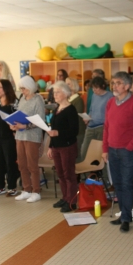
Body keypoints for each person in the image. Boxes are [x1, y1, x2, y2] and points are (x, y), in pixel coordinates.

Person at [103, 72, 133, 232]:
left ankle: (126, 218)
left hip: (127, 151)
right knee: (117, 184)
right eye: (113, 82)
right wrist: (105, 148)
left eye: (118, 83)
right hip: (112, 149)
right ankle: (123, 214)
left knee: (127, 185)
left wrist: (130, 146)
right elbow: (107, 127)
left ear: (127, 86)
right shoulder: (110, 103)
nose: (114, 85)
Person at [12, 76, 46, 203]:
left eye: (24, 88)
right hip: (20, 135)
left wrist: (25, 126)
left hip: (32, 136)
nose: (22, 91)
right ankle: (26, 189)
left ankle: (36, 191)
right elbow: (18, 114)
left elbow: (40, 120)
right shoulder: (22, 98)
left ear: (30, 87)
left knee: (32, 165)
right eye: (21, 89)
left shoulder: (38, 100)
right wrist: (14, 124)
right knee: (21, 163)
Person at [48, 81, 79, 213]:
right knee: (60, 174)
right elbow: (52, 129)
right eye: (54, 92)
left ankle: (72, 201)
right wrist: (50, 146)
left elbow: (74, 131)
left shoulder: (71, 110)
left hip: (67, 147)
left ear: (65, 94)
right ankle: (65, 197)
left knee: (69, 174)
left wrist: (58, 133)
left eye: (58, 92)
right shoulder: (57, 109)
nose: (55, 95)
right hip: (56, 147)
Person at [0, 79, 20, 196]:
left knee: (10, 161)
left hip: (9, 136)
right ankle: (0, 186)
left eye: (0, 88)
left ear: (7, 89)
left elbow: (17, 118)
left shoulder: (14, 102)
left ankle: (12, 186)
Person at [79, 76, 113, 163]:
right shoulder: (94, 95)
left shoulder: (110, 96)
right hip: (90, 126)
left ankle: (104, 176)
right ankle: (87, 174)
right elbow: (91, 110)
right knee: (84, 152)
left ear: (103, 86)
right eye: (93, 88)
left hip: (102, 127)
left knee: (101, 154)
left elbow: (111, 114)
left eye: (96, 88)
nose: (94, 90)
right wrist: (87, 118)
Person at [66, 77, 85, 161]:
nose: (66, 86)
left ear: (74, 86)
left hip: (78, 132)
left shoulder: (78, 100)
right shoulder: (67, 99)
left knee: (76, 155)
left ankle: (77, 174)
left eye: (68, 84)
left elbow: (75, 116)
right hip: (69, 132)